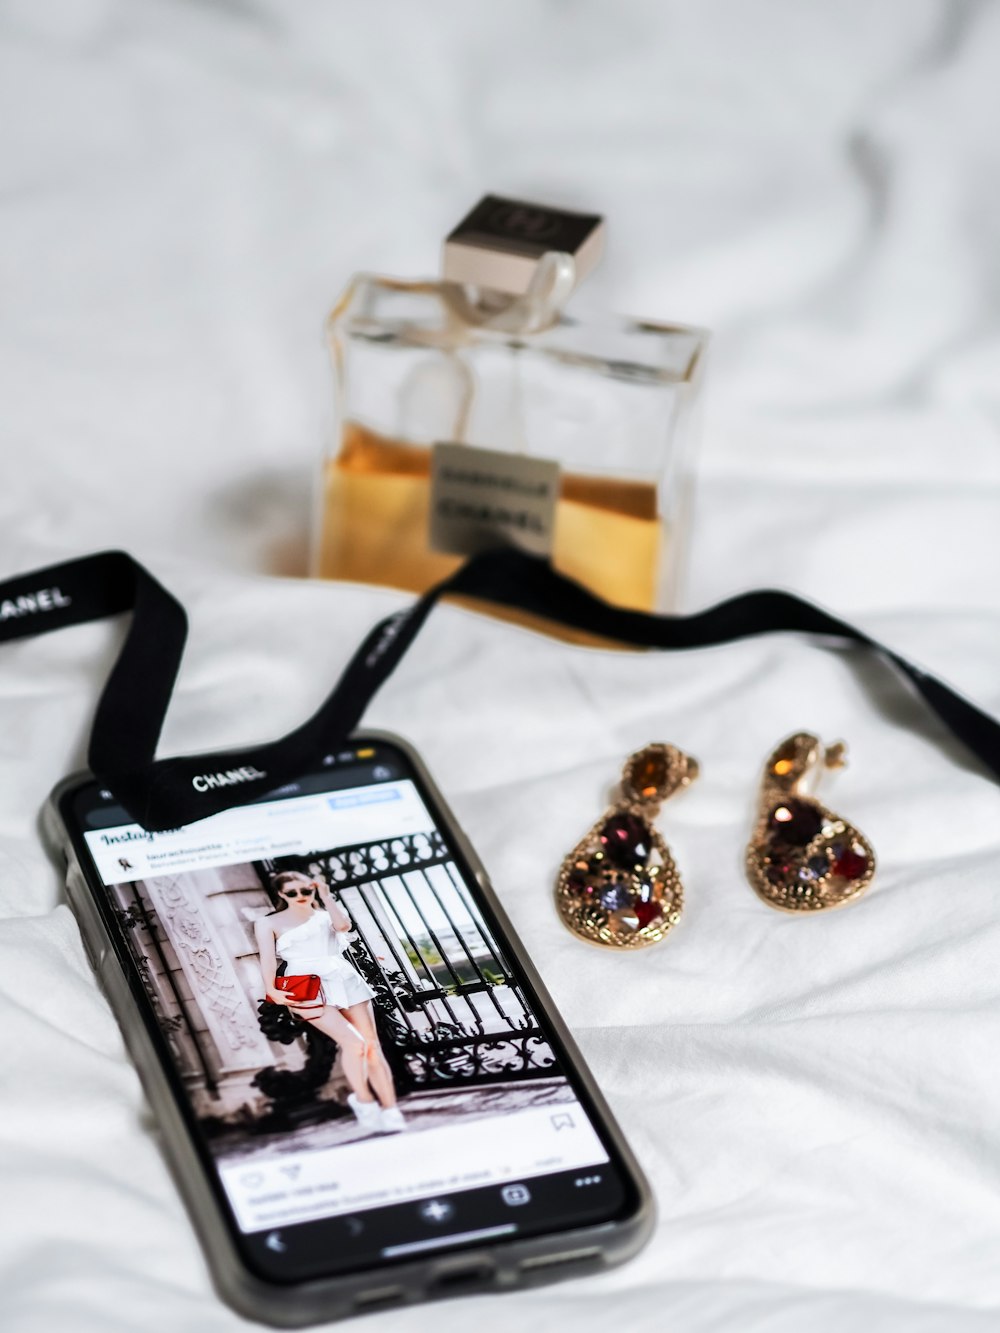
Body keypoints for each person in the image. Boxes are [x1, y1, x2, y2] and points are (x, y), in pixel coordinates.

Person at [254, 870, 405, 1134]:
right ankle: (365, 1102)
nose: (299, 896)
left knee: (371, 1047)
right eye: (291, 892)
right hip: (305, 986)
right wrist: (272, 990)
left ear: (312, 889)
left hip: (343, 978)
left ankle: (390, 1110)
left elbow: (344, 926)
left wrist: (325, 896)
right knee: (354, 1044)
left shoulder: (325, 915)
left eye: (305, 890)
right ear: (280, 894)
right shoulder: (267, 923)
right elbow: (267, 959)